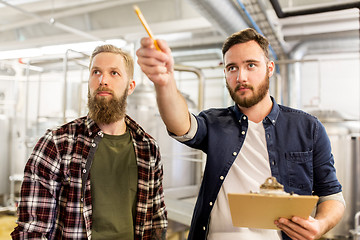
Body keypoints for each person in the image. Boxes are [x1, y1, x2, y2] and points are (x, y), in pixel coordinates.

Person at [136, 28, 345, 240]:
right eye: (232, 68)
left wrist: (321, 224)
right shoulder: (214, 122)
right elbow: (182, 125)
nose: (240, 77)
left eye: (251, 65)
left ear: (269, 68)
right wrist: (165, 82)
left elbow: (333, 196)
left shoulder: (308, 128)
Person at [11, 44, 167, 240]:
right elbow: (31, 231)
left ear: (130, 87)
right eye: (96, 72)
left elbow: (156, 223)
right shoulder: (57, 145)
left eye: (114, 73)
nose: (103, 80)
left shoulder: (148, 149)